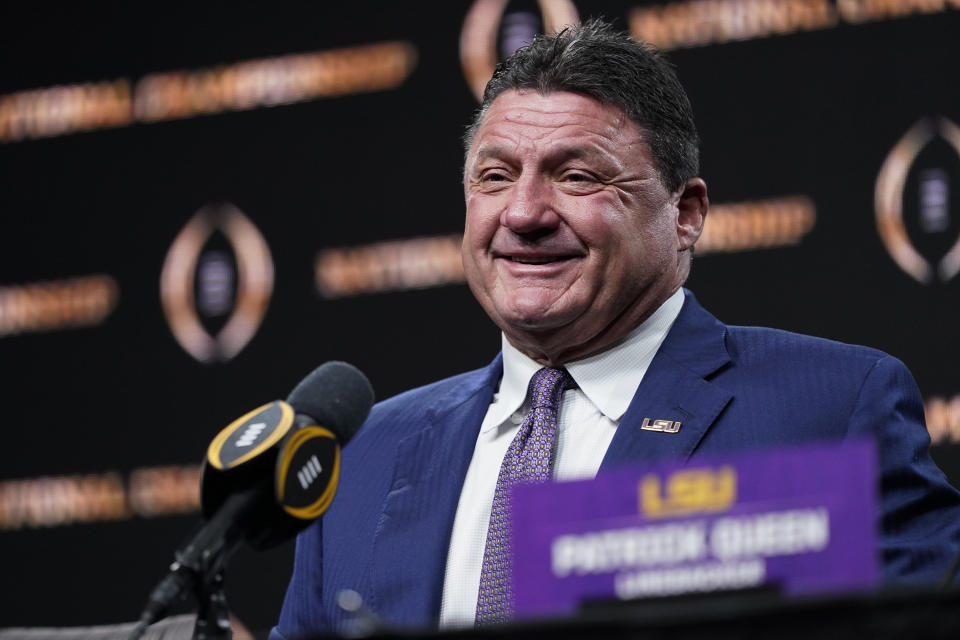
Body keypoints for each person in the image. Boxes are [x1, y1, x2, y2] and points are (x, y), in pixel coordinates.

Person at [271, 19, 960, 637]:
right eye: (495, 176)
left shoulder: (830, 408)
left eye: (575, 176)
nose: (523, 213)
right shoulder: (363, 459)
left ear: (685, 214)